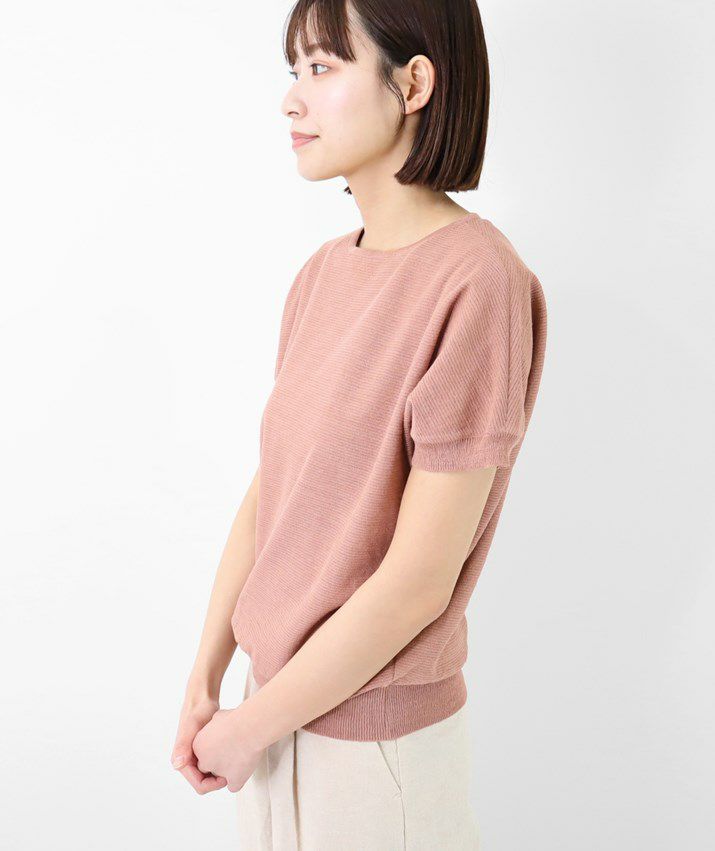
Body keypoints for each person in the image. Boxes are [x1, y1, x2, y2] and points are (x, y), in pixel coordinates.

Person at [171, 0, 547, 847]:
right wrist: (207, 674)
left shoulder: (477, 280)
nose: (291, 100)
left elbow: (417, 581)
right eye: (293, 70)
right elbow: (274, 492)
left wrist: (250, 723)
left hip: (374, 752)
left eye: (322, 67)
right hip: (270, 723)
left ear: (413, 84)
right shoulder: (320, 275)